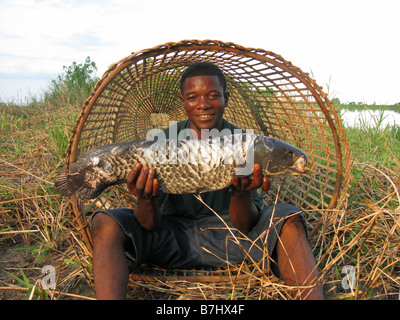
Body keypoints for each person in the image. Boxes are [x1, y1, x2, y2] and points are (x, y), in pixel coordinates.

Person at [91, 62, 324, 300]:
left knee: (289, 217)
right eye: (193, 97)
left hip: (231, 238)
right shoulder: (161, 141)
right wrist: (145, 198)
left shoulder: (247, 144)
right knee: (104, 221)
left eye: (213, 96)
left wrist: (240, 193)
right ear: (183, 102)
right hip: (173, 237)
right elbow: (148, 224)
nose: (203, 104)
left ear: (226, 98)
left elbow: (245, 225)